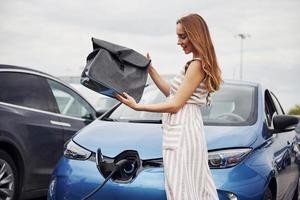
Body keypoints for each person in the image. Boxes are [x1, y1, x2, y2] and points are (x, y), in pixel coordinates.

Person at [115, 13, 222, 200]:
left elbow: (175, 104)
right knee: (188, 185)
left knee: (181, 187)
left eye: (182, 36)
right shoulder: (195, 63)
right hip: (185, 129)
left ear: (195, 35)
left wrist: (138, 107)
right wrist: (151, 69)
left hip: (183, 131)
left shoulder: (197, 65)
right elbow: (171, 93)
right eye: (178, 36)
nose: (179, 42)